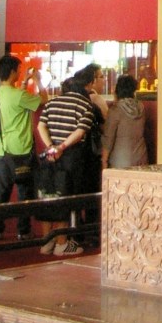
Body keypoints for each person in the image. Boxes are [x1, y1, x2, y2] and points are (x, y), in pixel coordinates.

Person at [36, 63, 103, 256]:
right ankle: (62, 243)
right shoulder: (85, 105)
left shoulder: (53, 102)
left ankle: (46, 242)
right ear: (87, 86)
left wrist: (51, 147)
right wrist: (63, 147)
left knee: (48, 195)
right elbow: (80, 131)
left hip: (49, 157)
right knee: (66, 196)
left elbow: (41, 126)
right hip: (71, 158)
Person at [0, 54, 45, 240]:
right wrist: (38, 81)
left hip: (2, 150)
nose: (21, 72)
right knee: (24, 193)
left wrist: (23, 83)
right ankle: (23, 231)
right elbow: (43, 100)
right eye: (19, 70)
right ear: (13, 72)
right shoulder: (20, 95)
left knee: (1, 194)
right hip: (21, 150)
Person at [101, 74, 149, 170]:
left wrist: (104, 160)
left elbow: (108, 138)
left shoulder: (115, 110)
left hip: (120, 160)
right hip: (141, 157)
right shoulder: (141, 107)